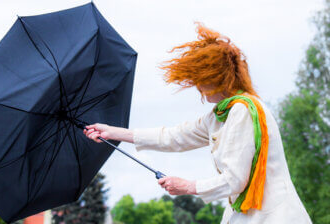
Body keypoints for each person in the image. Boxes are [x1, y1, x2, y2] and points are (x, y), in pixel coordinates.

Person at [82, 22, 312, 223]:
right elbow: (172, 137)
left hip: (272, 217)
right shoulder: (220, 115)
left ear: (218, 77)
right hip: (249, 215)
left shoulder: (242, 111)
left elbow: (235, 180)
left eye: (200, 79)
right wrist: (113, 132)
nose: (197, 86)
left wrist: (188, 187)